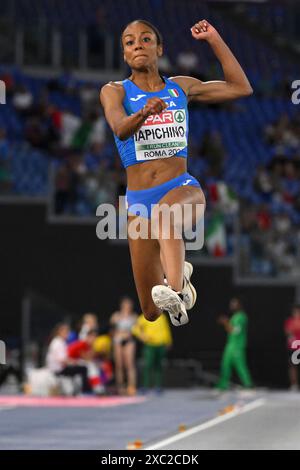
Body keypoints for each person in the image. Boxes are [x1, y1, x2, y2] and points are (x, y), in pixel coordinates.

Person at [100, 19, 252, 327]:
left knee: (165, 217)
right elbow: (119, 128)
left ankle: (178, 290)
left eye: (145, 39)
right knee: (151, 311)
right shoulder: (114, 91)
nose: (137, 45)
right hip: (139, 201)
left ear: (159, 48)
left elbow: (240, 87)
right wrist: (143, 112)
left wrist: (214, 39)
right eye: (129, 42)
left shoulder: (180, 87)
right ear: (124, 54)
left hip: (182, 187)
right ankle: (178, 273)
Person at [216, 297, 253, 391]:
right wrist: (226, 323)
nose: (232, 305)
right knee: (225, 365)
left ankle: (248, 385)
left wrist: (225, 322)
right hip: (230, 345)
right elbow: (230, 329)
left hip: (238, 346)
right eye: (231, 303)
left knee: (240, 366)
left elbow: (235, 331)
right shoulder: (234, 316)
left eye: (234, 303)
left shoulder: (242, 317)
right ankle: (222, 386)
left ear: (239, 305)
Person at [132, 312, 172, 393]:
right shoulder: (146, 315)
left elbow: (166, 329)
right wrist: (142, 336)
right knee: (148, 365)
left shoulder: (162, 316)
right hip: (150, 344)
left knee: (159, 366)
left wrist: (168, 341)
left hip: (161, 344)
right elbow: (135, 328)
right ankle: (145, 386)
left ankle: (158, 386)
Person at [110, 297, 137, 395]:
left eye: (128, 305)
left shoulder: (133, 317)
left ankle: (131, 386)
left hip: (129, 341)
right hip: (118, 340)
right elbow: (111, 330)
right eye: (125, 305)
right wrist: (118, 334)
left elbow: (136, 331)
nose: (127, 307)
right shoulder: (116, 316)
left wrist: (128, 334)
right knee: (119, 365)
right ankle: (120, 387)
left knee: (129, 364)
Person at [284, 304, 300, 391]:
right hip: (294, 347)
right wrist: (290, 335)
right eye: (295, 311)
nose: (296, 313)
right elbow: (288, 332)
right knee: (293, 366)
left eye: (298, 311)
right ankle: (294, 384)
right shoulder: (290, 321)